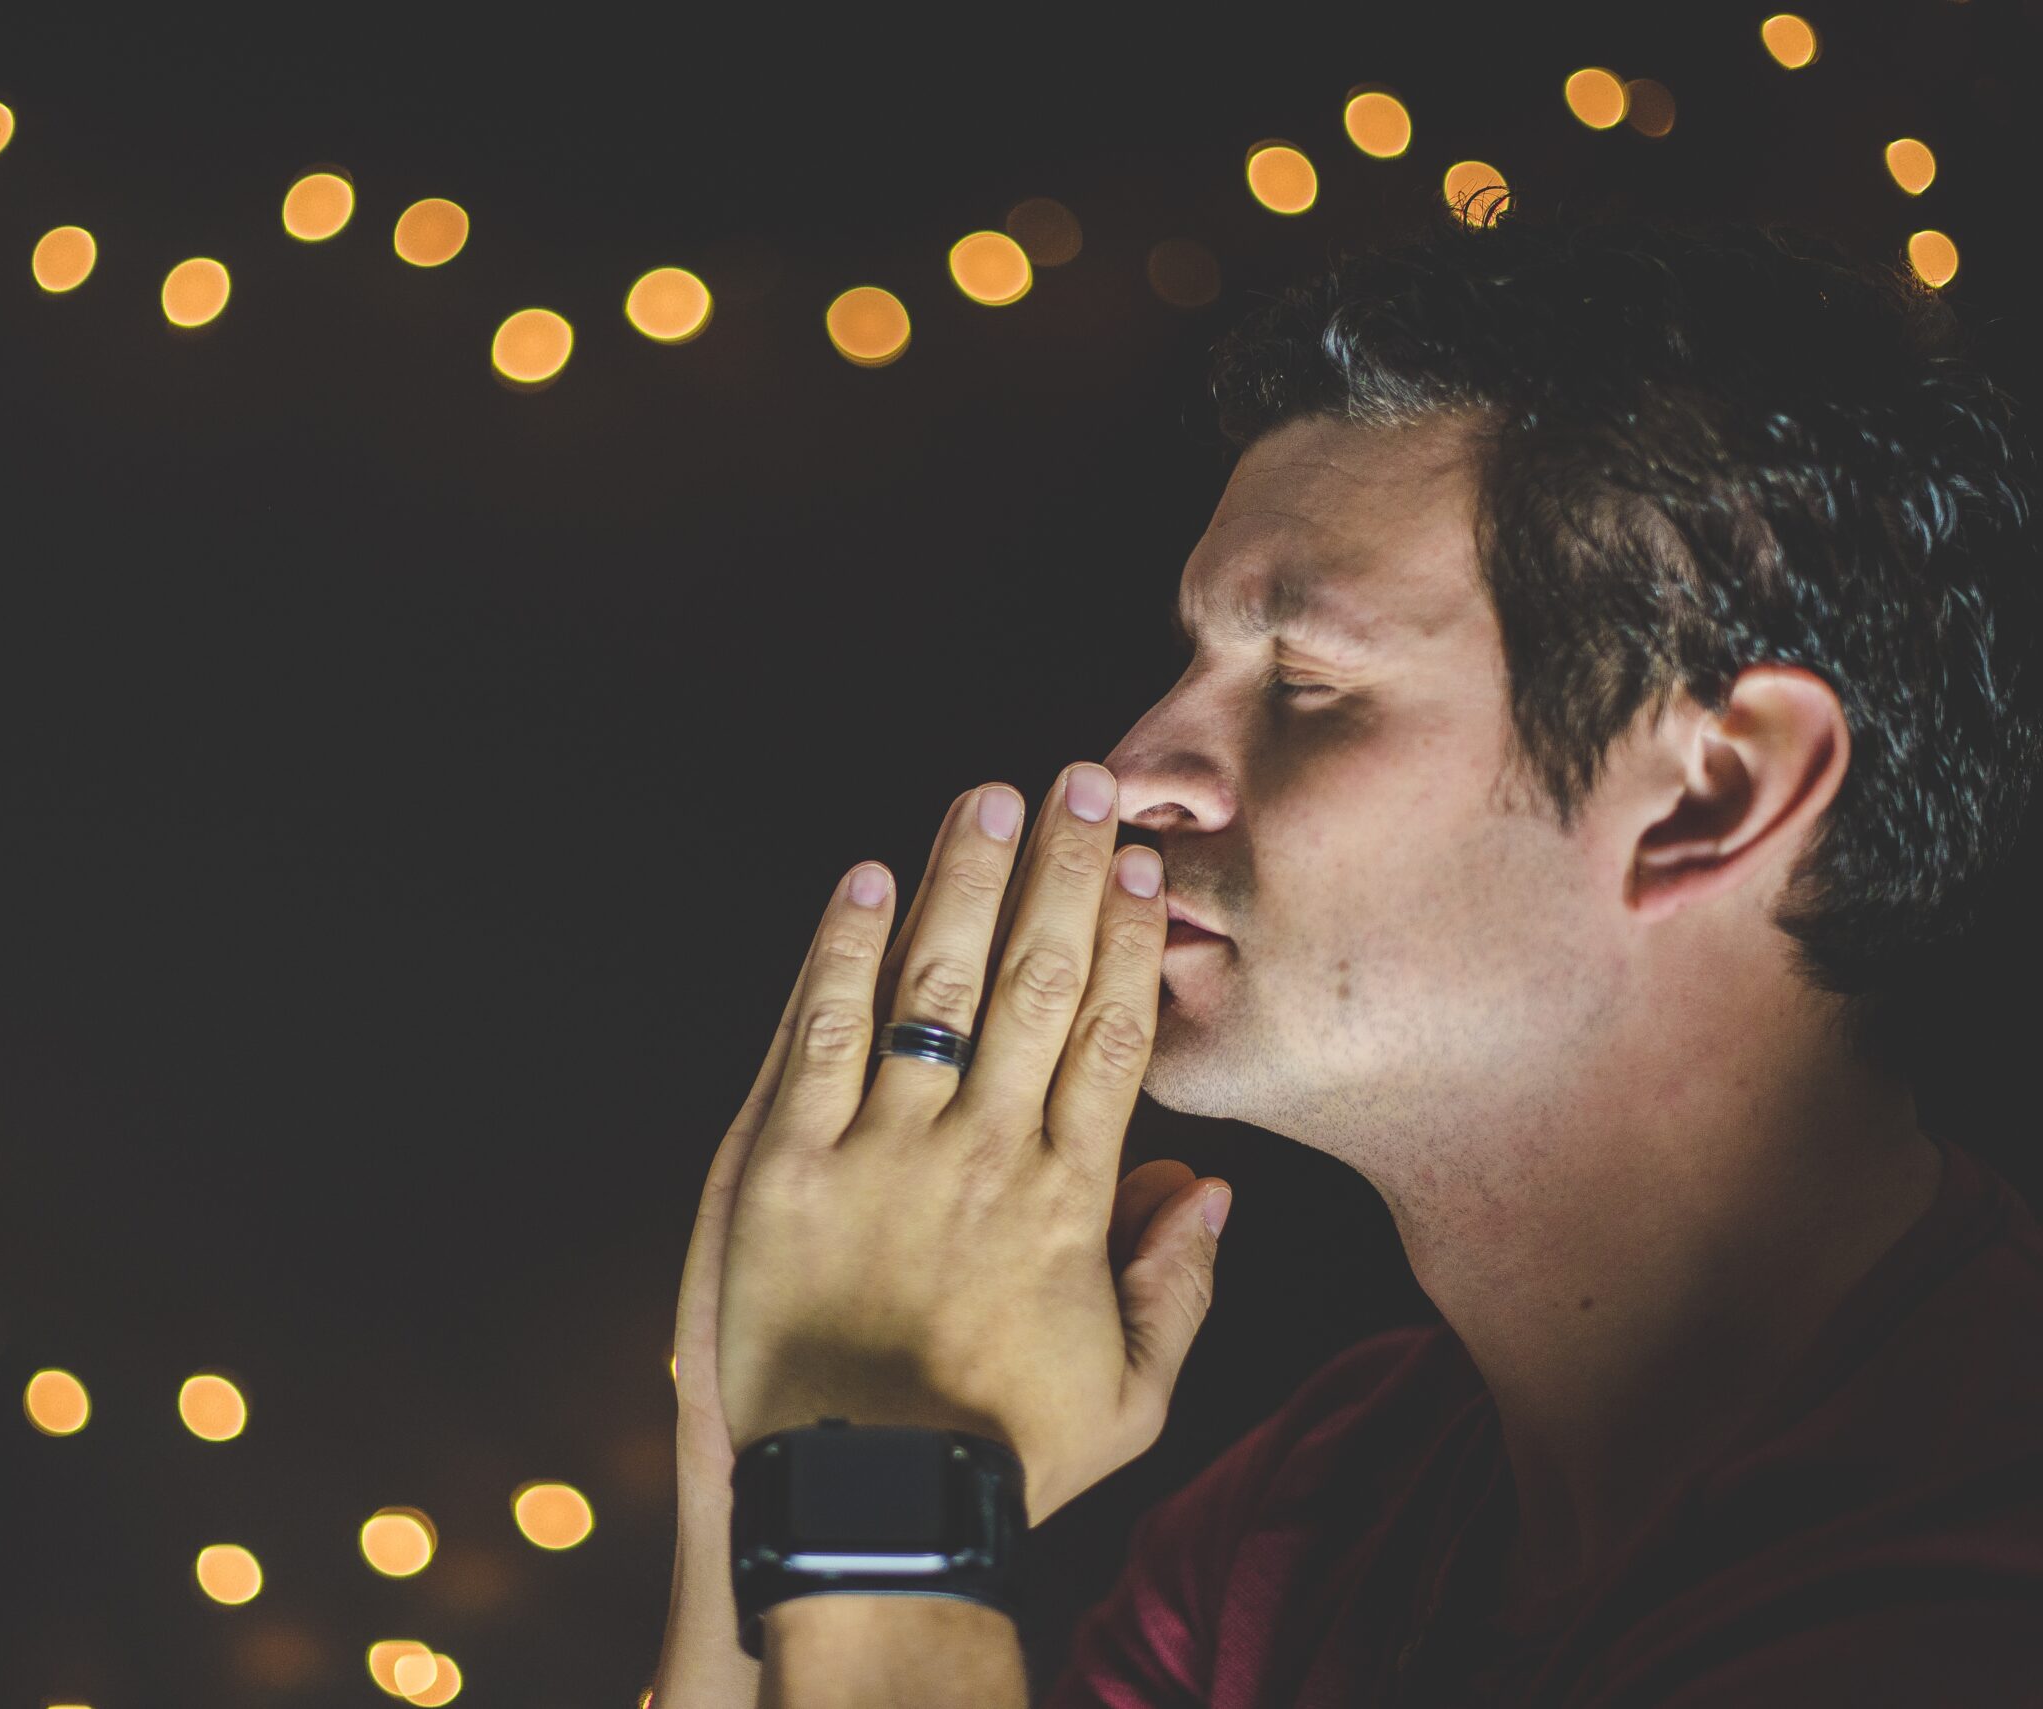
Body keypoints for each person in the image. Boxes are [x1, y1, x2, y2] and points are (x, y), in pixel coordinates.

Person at [651, 198, 2043, 1707]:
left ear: (1714, 793)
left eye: (1305, 677)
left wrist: (891, 1485)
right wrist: (769, 1446)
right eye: (1195, 662)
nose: (1135, 764)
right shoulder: (1311, 1516)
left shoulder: (1973, 1558)